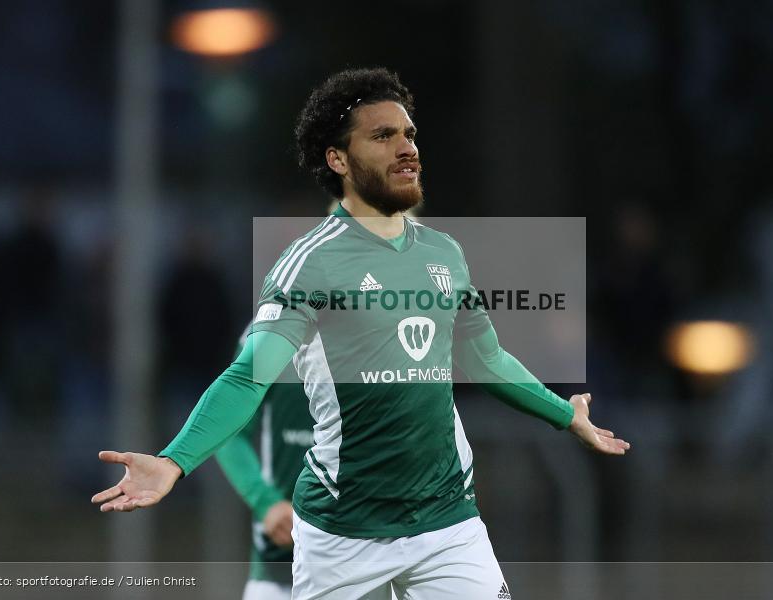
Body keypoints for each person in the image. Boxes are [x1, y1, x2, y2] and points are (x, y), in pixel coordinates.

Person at [93, 67, 630, 600]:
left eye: (409, 134)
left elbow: (487, 360)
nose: (406, 147)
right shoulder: (311, 263)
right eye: (383, 136)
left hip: (447, 521)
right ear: (338, 160)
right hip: (343, 531)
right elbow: (246, 378)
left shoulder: (444, 252)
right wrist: (174, 460)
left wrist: (566, 416)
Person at [214, 323, 315, 600]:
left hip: (370, 551)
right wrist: (265, 501)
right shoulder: (269, 330)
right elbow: (228, 430)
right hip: (281, 564)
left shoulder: (389, 320)